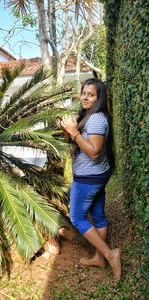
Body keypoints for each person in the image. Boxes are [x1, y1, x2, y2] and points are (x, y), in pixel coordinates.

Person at [60, 78, 122, 280]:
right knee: (98, 215)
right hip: (97, 175)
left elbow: (94, 152)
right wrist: (67, 130)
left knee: (77, 217)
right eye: (84, 93)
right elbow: (74, 140)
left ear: (99, 97)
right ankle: (99, 258)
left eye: (91, 94)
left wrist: (75, 132)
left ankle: (109, 254)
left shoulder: (96, 119)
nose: (85, 97)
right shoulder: (88, 115)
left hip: (88, 177)